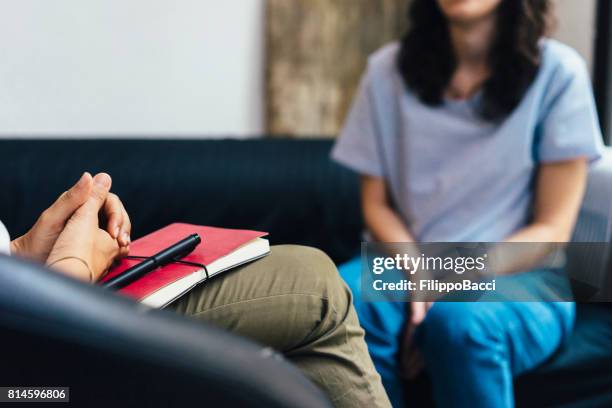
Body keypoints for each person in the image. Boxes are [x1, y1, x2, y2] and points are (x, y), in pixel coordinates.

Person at [332, 0, 604, 407]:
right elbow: (376, 205)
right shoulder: (386, 71)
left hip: (521, 270)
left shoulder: (559, 73)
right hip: (406, 260)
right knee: (339, 304)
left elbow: (553, 230)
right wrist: (422, 272)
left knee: (461, 322)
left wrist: (455, 273)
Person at [2, 172, 391, 408]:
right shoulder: (388, 75)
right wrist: (71, 270)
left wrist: (22, 251)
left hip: (27, 294)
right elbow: (377, 207)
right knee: (319, 290)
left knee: (316, 277)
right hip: (21, 378)